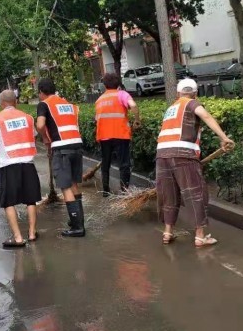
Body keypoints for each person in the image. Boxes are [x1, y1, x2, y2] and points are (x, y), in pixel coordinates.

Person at [156, 78, 234, 247]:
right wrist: (224, 137)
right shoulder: (191, 104)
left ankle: (168, 232)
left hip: (162, 156)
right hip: (183, 155)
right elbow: (204, 115)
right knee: (195, 193)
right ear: (195, 94)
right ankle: (200, 236)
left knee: (169, 194)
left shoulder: (171, 108)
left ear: (178, 93)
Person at [0, 90, 42, 247]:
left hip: (8, 164)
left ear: (1, 104)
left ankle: (17, 238)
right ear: (15, 101)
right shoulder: (28, 118)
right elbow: (34, 135)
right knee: (31, 199)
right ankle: (31, 233)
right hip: (28, 163)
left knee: (8, 202)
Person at [36, 78, 85, 238]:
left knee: (65, 186)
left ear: (41, 92)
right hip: (77, 145)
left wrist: (45, 139)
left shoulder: (44, 104)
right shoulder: (68, 104)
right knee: (73, 183)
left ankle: (77, 227)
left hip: (62, 148)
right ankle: (78, 221)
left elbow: (40, 125)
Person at [95, 73, 141, 196]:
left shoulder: (99, 100)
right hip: (121, 134)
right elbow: (134, 106)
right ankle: (124, 191)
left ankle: (105, 190)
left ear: (105, 85)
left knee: (106, 163)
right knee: (124, 164)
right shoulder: (122, 94)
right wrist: (137, 120)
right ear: (118, 83)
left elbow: (98, 119)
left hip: (104, 136)